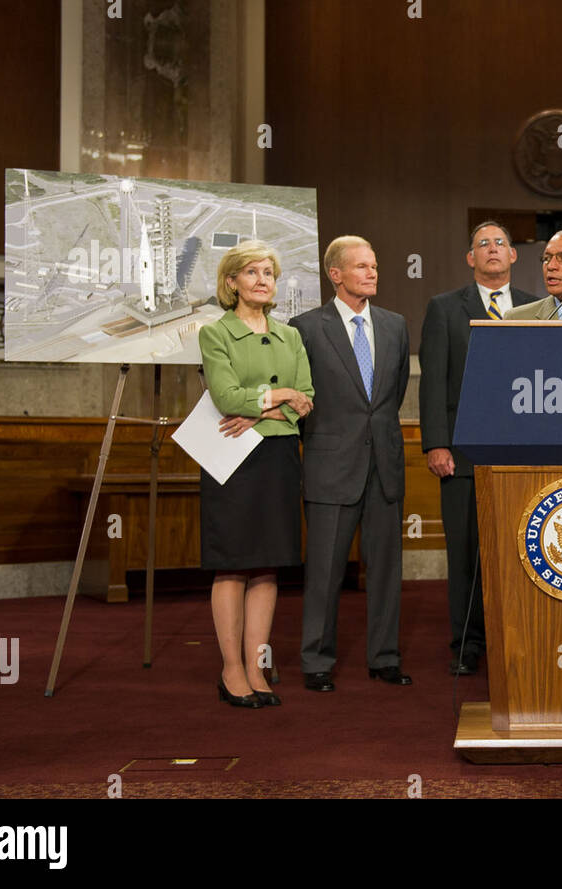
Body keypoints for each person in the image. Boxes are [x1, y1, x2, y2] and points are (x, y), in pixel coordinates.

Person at [290, 235, 413, 690]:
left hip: (385, 464)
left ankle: (385, 657)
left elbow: (389, 396)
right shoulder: (304, 328)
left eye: (375, 265)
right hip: (329, 466)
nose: (373, 273)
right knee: (324, 571)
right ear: (335, 274)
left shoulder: (395, 325)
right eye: (362, 266)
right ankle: (316, 662)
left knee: (386, 570)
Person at [198, 240, 314, 708]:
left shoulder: (291, 336)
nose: (263, 280)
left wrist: (266, 406)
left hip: (280, 458)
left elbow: (306, 399)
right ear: (232, 283)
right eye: (252, 272)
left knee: (268, 564)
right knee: (234, 563)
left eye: (269, 272)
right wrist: (278, 394)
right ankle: (230, 670)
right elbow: (226, 399)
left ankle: (257, 666)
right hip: (233, 456)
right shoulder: (216, 333)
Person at [419, 221, 536, 676]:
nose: (491, 249)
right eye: (482, 244)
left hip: (525, 457)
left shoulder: (538, 308)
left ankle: (519, 637)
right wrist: (436, 444)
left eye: (500, 243)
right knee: (466, 553)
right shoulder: (445, 309)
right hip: (462, 455)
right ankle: (467, 644)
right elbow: (434, 382)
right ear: (471, 259)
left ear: (513, 256)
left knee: (521, 551)